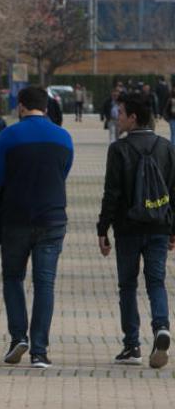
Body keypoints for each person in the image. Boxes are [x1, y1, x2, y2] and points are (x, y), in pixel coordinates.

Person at [0, 85, 74, 369]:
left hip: (15, 218)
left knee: (13, 277)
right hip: (52, 218)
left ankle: (17, 337)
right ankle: (40, 350)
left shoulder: (9, 135)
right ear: (47, 108)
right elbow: (64, 172)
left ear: (21, 106)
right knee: (45, 283)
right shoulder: (64, 138)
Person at [97, 93, 174, 368]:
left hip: (127, 227)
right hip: (158, 225)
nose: (116, 118)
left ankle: (132, 346)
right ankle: (161, 327)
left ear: (133, 117)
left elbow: (112, 193)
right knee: (156, 281)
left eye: (120, 113)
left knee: (127, 285)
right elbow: (173, 190)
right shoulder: (166, 147)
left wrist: (102, 228)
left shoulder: (118, 150)